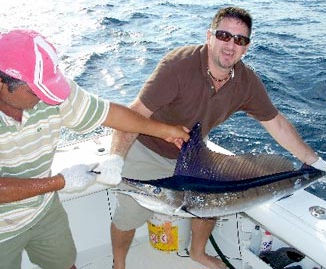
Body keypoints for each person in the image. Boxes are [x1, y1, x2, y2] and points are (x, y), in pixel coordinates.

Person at [109, 6, 326, 269]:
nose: (231, 45)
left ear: (246, 47)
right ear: (209, 36)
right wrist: (115, 160)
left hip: (191, 154)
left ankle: (198, 252)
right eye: (224, 35)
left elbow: (278, 124)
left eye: (240, 40)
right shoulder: (178, 65)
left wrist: (314, 161)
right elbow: (132, 115)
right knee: (129, 216)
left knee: (214, 200)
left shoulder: (246, 82)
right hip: (148, 146)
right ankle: (119, 264)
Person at [0, 29, 189, 269]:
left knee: (66, 264)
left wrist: (164, 131)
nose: (47, 98)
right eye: (35, 91)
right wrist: (61, 182)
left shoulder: (50, 94)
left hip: (43, 210)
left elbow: (111, 114)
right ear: (2, 83)